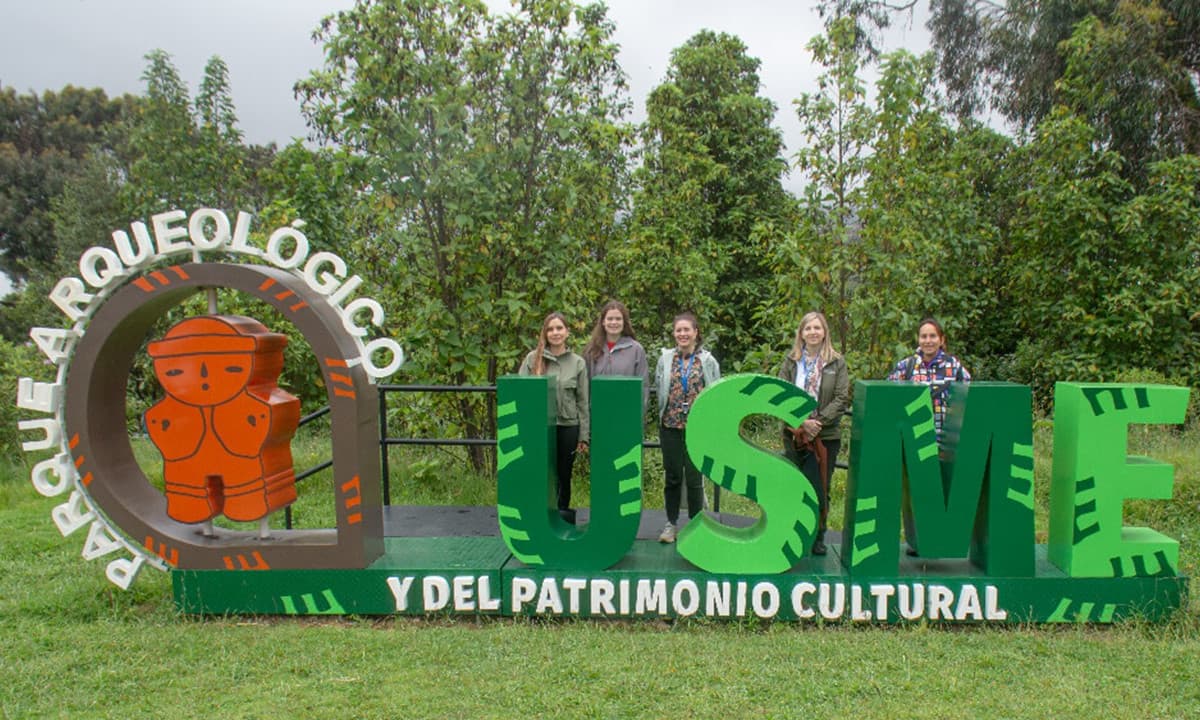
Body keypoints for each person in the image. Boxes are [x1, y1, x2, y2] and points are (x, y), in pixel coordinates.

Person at [778, 311, 849, 556]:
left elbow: (841, 398)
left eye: (817, 328)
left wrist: (817, 422)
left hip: (825, 436)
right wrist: (801, 423)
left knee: (821, 487)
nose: (813, 332)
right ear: (801, 333)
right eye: (808, 328)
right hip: (794, 434)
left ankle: (818, 536)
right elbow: (780, 396)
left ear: (824, 332)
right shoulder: (790, 361)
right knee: (792, 485)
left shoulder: (836, 362)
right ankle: (790, 533)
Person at [654, 312, 720, 543]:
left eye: (686, 330)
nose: (682, 334)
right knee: (672, 477)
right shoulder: (665, 359)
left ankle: (695, 526)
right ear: (674, 333)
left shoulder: (708, 361)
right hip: (670, 425)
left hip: (697, 428)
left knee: (694, 479)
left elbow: (716, 393)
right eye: (678, 330)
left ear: (695, 332)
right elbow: (658, 387)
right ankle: (670, 524)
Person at [519, 312, 589, 524]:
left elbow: (583, 402)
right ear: (545, 333)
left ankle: (562, 518)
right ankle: (538, 518)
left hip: (568, 427)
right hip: (541, 428)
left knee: (563, 473)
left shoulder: (578, 363)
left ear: (567, 332)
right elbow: (523, 393)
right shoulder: (533, 359)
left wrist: (583, 436)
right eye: (550, 329)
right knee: (541, 471)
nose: (555, 333)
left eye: (559, 328)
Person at [886, 317, 971, 443]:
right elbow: (888, 396)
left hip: (946, 440)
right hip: (914, 439)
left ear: (941, 339)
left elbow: (968, 398)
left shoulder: (953, 367)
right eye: (924, 336)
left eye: (932, 336)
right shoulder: (906, 366)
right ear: (918, 339)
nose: (928, 341)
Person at [583, 300, 649, 411]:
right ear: (603, 322)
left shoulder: (636, 349)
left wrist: (639, 416)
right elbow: (585, 387)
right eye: (610, 319)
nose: (614, 322)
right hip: (598, 413)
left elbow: (643, 388)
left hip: (627, 412)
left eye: (618, 319)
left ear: (624, 322)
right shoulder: (591, 350)